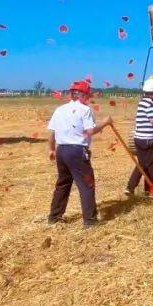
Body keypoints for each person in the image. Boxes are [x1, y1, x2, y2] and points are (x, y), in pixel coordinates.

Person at [47, 80, 114, 228]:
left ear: (72, 94)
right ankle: (90, 221)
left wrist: (51, 149)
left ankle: (54, 216)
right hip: (77, 151)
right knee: (86, 185)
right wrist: (105, 123)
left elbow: (52, 133)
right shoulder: (85, 110)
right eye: (87, 95)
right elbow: (90, 131)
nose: (88, 98)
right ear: (83, 95)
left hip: (61, 151)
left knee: (63, 184)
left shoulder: (59, 110)